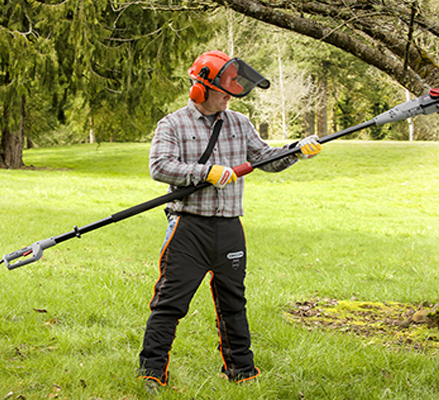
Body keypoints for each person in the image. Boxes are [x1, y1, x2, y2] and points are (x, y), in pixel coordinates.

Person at [138, 50, 322, 391]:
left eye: (233, 89)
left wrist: (297, 149)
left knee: (233, 303)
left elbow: (267, 159)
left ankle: (242, 372)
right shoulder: (173, 124)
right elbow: (159, 167)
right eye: (224, 89)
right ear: (200, 89)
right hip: (188, 227)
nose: (230, 94)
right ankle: (151, 373)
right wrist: (206, 173)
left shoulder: (239, 123)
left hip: (229, 228)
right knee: (170, 303)